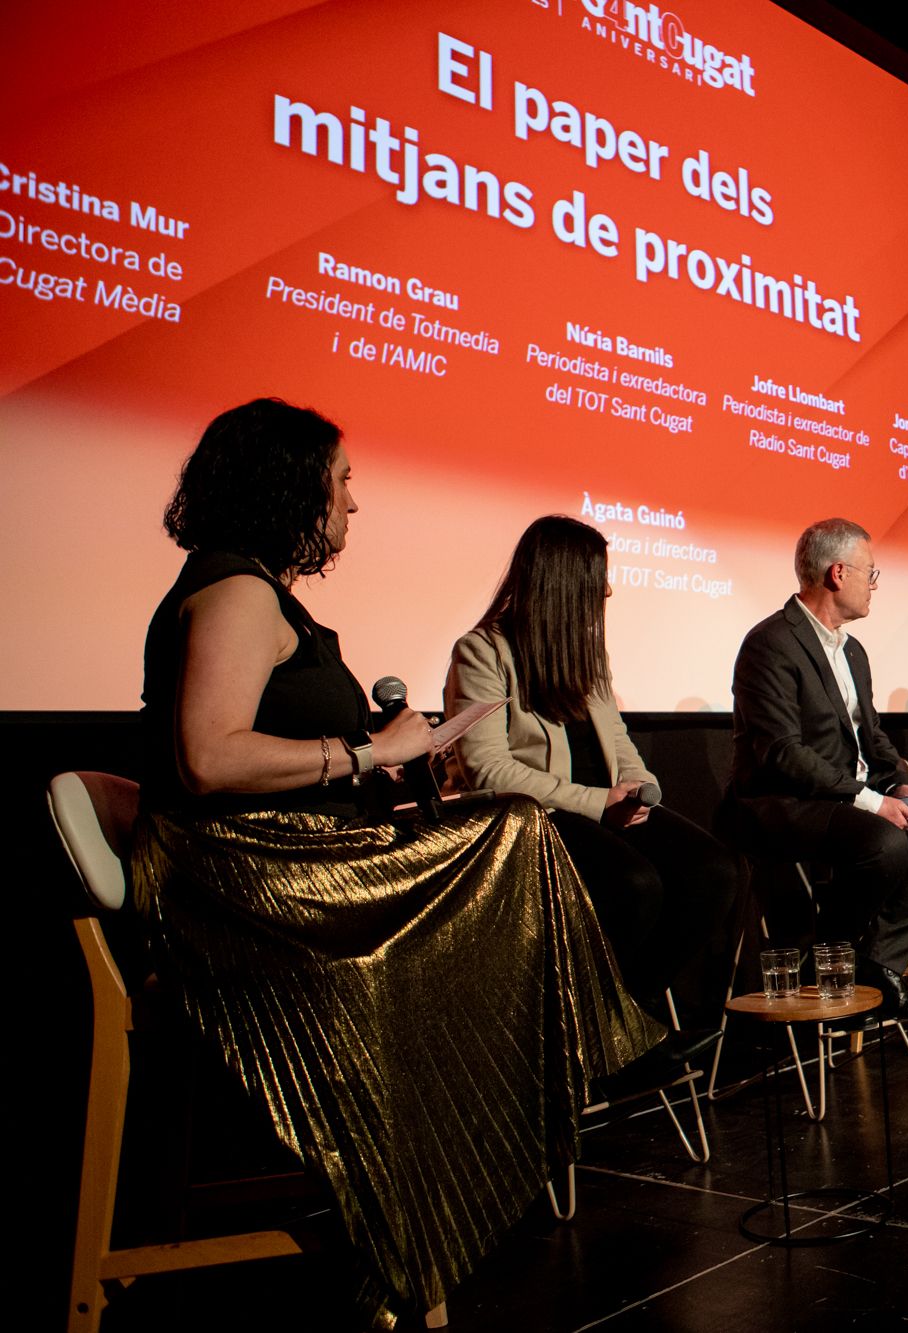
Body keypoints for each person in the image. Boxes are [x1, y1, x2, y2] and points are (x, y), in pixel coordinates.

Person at [130, 399, 659, 1322]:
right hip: (251, 881)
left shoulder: (250, 587)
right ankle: (520, 1115)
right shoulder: (237, 590)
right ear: (291, 485)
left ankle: (501, 1130)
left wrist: (382, 755)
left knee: (512, 834)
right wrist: (369, 754)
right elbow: (208, 756)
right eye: (343, 482)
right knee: (515, 830)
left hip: (285, 859)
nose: (353, 504)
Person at [444, 515, 740, 1040]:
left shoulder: (585, 652)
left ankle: (626, 1013)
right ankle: (608, 1031)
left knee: (715, 870)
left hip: (602, 808)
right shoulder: (483, 652)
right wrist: (598, 800)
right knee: (635, 885)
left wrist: (640, 787)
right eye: (598, 576)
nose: (608, 589)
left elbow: (618, 738)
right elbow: (485, 767)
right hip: (534, 821)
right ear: (565, 583)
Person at [720, 518, 908, 1019]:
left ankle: (874, 960)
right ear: (838, 573)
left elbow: (871, 736)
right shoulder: (771, 644)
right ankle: (830, 960)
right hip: (784, 802)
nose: (875, 584)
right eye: (872, 572)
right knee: (883, 842)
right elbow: (782, 752)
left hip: (854, 796)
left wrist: (899, 784)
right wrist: (869, 800)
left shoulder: (853, 650)